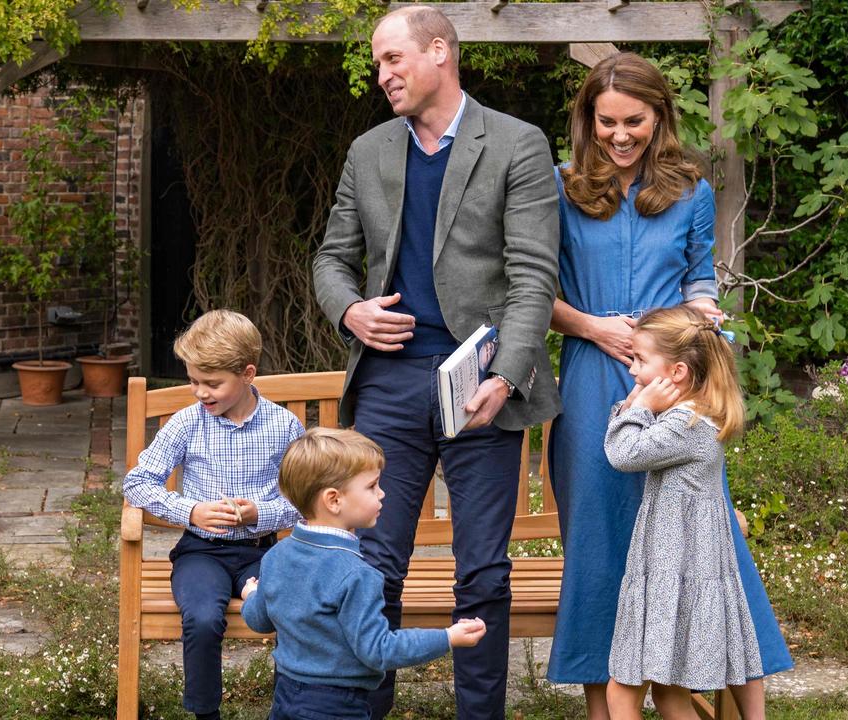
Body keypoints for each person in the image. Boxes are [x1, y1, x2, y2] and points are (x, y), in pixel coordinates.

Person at [312, 7, 560, 718]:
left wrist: (506, 375)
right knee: (374, 567)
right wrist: (349, 311)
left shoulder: (516, 144)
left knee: (482, 571)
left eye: (393, 59)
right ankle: (366, 707)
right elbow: (331, 259)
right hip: (388, 385)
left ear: (439, 53)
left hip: (483, 384)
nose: (382, 75)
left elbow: (533, 278)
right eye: (379, 63)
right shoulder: (369, 153)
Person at [545, 52, 791, 718]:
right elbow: (534, 292)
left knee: (701, 536)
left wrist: (703, 313)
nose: (620, 136)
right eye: (607, 123)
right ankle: (609, 705)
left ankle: (703, 686)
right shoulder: (559, 187)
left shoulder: (691, 191)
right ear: (586, 119)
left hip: (676, 383)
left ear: (659, 118)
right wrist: (595, 328)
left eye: (635, 122)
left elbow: (700, 279)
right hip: (596, 382)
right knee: (600, 543)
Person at [122, 309, 304, 720]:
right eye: (193, 381)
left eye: (212, 383)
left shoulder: (284, 426)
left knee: (292, 611)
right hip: (201, 553)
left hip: (264, 554)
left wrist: (261, 513)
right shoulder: (187, 423)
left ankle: (290, 710)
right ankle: (206, 714)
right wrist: (192, 511)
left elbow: (306, 500)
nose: (200, 392)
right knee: (203, 619)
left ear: (248, 374)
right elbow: (137, 484)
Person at [240, 427, 487, 720]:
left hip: (285, 695)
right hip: (337, 705)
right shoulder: (356, 574)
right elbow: (379, 651)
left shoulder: (277, 556)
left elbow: (259, 619)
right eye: (372, 486)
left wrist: (252, 594)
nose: (382, 493)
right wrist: (448, 637)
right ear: (334, 500)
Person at [603, 305, 769, 720]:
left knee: (621, 692)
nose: (633, 371)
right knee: (669, 696)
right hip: (674, 570)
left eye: (640, 361)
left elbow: (622, 454)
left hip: (669, 573)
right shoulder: (696, 416)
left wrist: (635, 405)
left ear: (676, 373)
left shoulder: (685, 424)